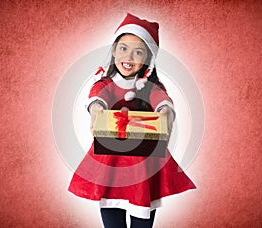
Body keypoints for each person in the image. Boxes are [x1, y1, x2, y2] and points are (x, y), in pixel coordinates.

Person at [68, 13, 196, 228]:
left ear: (148, 59)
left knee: (142, 217)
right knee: (112, 213)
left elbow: (162, 100)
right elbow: (97, 96)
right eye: (124, 49)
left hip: (144, 166)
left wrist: (165, 113)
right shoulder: (106, 84)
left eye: (138, 52)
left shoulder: (150, 87)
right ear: (114, 51)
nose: (129, 57)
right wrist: (97, 109)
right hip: (110, 164)